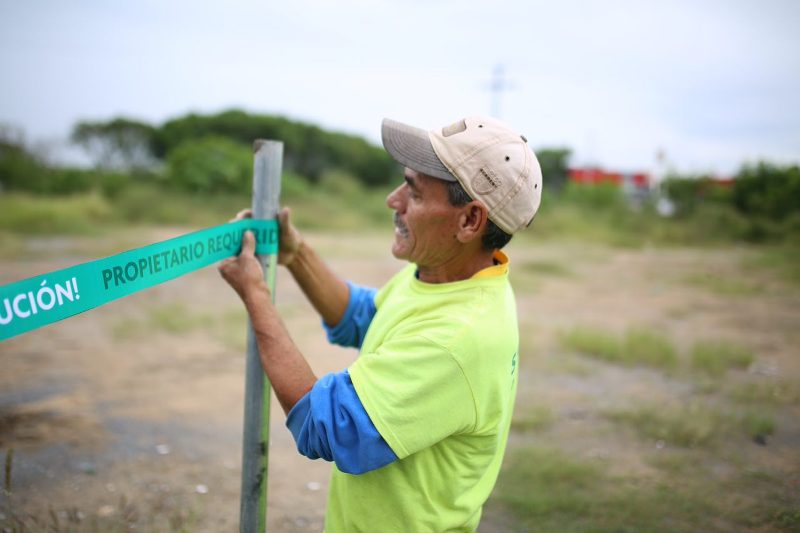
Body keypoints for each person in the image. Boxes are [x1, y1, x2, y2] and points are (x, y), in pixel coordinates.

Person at [219, 116, 543, 532]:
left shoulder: (458, 337)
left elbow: (327, 426)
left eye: (414, 191)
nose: (394, 200)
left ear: (469, 221)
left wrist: (255, 295)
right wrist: (295, 254)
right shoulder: (443, 277)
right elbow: (364, 318)